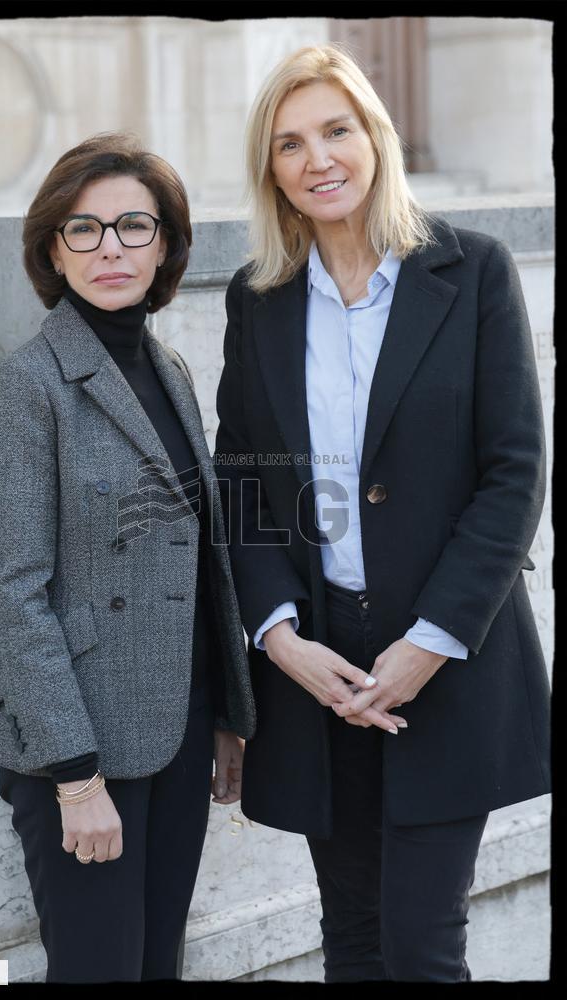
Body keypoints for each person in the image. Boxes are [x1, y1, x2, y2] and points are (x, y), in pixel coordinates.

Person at [214, 44, 551, 983]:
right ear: (270, 168)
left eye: (336, 130)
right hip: (317, 660)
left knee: (422, 946)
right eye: (289, 143)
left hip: (445, 656)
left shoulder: (472, 272)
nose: (317, 159)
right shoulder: (259, 297)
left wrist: (430, 642)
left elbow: (514, 473)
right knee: (352, 939)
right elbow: (241, 474)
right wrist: (278, 635)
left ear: (376, 137)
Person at [0, 132, 255, 984]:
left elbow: (199, 562)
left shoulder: (170, 370)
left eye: (134, 226)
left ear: (166, 245)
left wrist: (226, 712)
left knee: (159, 965)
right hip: (80, 749)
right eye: (84, 229)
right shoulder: (24, 388)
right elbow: (16, 596)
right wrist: (76, 780)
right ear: (53, 249)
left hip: (178, 729)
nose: (111, 249)